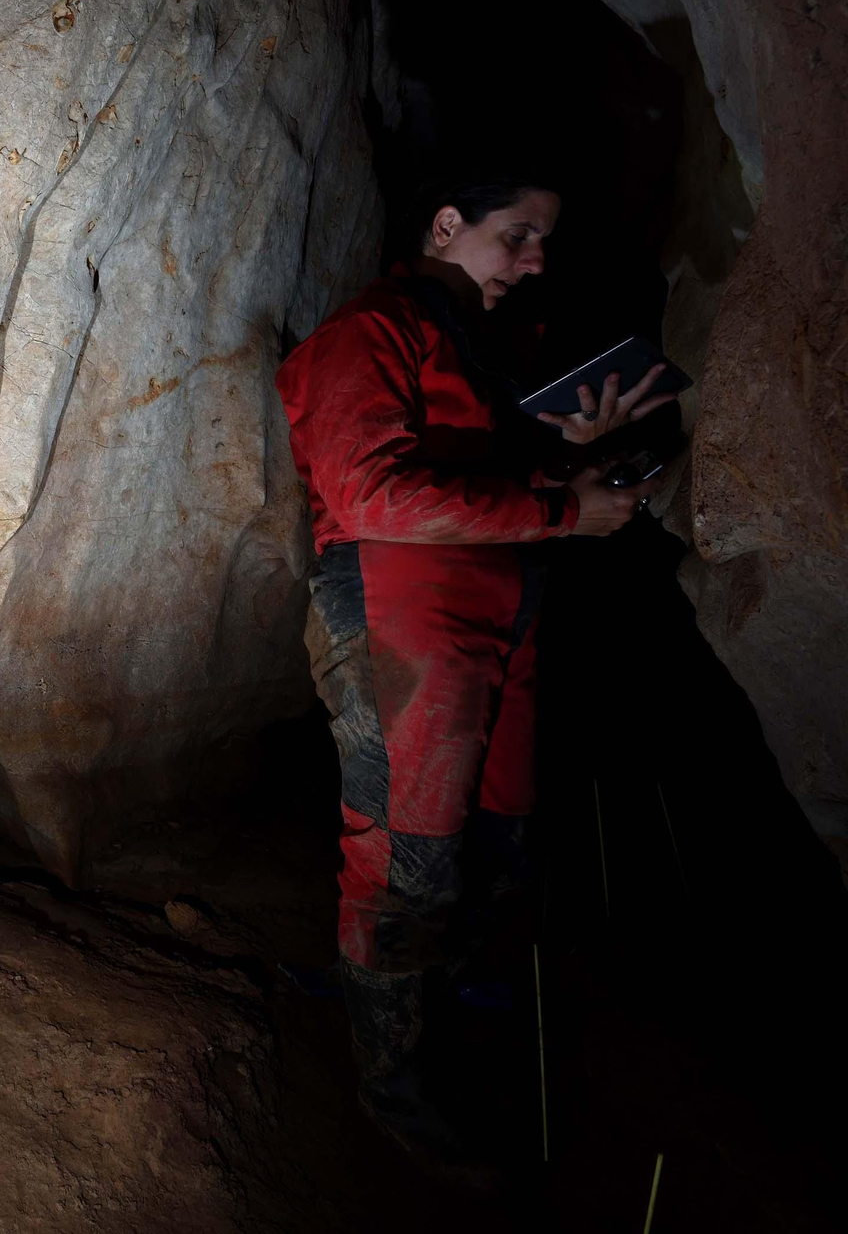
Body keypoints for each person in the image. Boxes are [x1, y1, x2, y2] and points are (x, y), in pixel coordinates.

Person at [273, 172, 674, 1155]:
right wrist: (560, 511)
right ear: (445, 225)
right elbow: (370, 494)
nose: (533, 260)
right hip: (401, 618)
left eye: (542, 240)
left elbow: (472, 474)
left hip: (497, 615)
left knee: (492, 837)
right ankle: (394, 1087)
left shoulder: (480, 351)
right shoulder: (368, 333)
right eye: (516, 234)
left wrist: (560, 460)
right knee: (405, 859)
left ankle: (437, 1011)